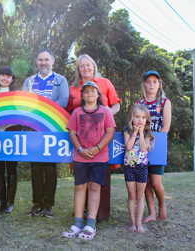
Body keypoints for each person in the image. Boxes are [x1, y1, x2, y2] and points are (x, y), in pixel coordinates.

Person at [66, 54, 121, 219]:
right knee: (82, 183)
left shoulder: (105, 83)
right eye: (81, 66)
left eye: (88, 65)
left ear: (93, 66)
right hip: (81, 142)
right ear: (78, 69)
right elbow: (69, 110)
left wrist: (105, 115)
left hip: (102, 139)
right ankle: (81, 213)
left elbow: (116, 104)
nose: (85, 68)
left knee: (99, 180)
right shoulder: (73, 88)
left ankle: (99, 214)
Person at [62, 81, 115, 240]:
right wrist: (80, 150)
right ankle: (78, 223)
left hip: (100, 157)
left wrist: (97, 148)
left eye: (93, 91)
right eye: (86, 91)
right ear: (82, 96)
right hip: (80, 157)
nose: (89, 93)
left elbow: (110, 132)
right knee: (80, 188)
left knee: (94, 187)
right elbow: (72, 134)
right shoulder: (77, 112)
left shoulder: (106, 111)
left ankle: (90, 225)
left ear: (98, 95)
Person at [22, 48, 69, 217]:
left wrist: (43, 112)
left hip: (52, 130)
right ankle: (37, 204)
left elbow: (63, 101)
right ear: (36, 62)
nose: (43, 62)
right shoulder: (29, 81)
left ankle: (48, 205)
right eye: (40, 60)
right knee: (35, 169)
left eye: (46, 59)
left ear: (53, 61)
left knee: (50, 168)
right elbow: (24, 103)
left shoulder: (60, 80)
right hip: (33, 130)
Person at [137, 70, 171, 222]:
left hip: (157, 146)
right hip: (142, 147)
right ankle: (151, 213)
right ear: (144, 84)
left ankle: (162, 205)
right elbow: (136, 125)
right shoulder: (139, 104)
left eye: (154, 82)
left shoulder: (164, 102)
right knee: (146, 182)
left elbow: (166, 127)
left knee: (156, 182)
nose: (151, 84)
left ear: (159, 85)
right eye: (148, 81)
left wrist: (153, 142)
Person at [0, 66, 20, 213]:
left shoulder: (18, 94)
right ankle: (1, 203)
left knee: (12, 167)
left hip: (12, 133)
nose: (5, 78)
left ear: (12, 79)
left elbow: (22, 114)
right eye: (3, 75)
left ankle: (10, 203)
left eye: (8, 76)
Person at [123, 104, 154, 233]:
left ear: (146, 119)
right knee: (131, 195)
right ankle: (132, 222)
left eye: (143, 117)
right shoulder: (127, 130)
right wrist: (135, 132)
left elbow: (143, 148)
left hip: (142, 168)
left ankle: (139, 222)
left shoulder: (148, 133)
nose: (140, 120)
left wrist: (141, 133)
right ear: (132, 118)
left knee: (140, 196)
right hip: (129, 167)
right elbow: (129, 146)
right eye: (137, 117)